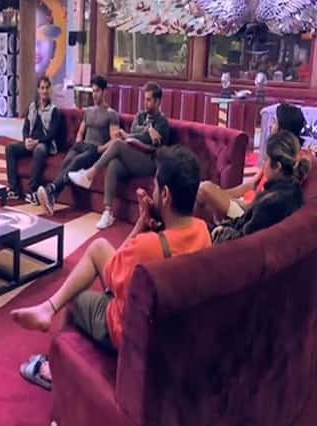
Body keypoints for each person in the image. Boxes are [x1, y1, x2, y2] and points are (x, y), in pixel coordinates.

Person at [11, 146, 212, 390]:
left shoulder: (148, 246)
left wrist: (139, 226)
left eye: (156, 187)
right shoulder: (202, 229)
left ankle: (53, 368)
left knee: (75, 298)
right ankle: (47, 309)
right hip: (171, 324)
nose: (153, 191)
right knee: (98, 247)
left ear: (166, 194)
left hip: (132, 331)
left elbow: (113, 274)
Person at [68, 81, 170, 229]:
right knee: (114, 164)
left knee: (117, 144)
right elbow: (134, 132)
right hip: (134, 156)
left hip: (149, 162)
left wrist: (139, 134)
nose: (145, 103)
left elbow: (142, 138)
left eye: (149, 100)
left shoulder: (162, 122)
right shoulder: (141, 115)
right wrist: (148, 130)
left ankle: (89, 174)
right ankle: (108, 212)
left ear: (158, 101)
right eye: (145, 99)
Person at [197, 103, 306, 222]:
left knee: (205, 189)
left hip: (249, 214)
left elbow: (257, 207)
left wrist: (221, 197)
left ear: (282, 128)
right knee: (205, 191)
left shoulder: (286, 162)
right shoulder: (273, 157)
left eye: (274, 122)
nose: (270, 126)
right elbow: (249, 185)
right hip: (245, 204)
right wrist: (220, 194)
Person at [36, 75, 119, 215]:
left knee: (76, 161)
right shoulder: (88, 111)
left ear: (105, 92)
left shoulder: (111, 114)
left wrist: (100, 149)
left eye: (97, 91)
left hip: (95, 149)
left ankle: (51, 189)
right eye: (93, 91)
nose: (94, 95)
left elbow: (114, 140)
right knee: (66, 162)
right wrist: (78, 142)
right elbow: (81, 131)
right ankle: (53, 197)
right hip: (82, 145)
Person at [211, 130, 311, 243]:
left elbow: (244, 241)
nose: (264, 164)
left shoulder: (272, 203)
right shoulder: (293, 189)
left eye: (266, 159)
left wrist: (222, 231)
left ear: (277, 167)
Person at [6, 76, 61, 205]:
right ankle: (14, 189)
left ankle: (32, 190)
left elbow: (52, 134)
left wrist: (37, 142)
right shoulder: (32, 107)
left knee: (39, 150)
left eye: (47, 88)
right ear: (38, 90)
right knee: (10, 148)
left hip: (44, 143)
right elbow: (26, 127)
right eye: (42, 88)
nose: (44, 91)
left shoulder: (54, 110)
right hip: (31, 142)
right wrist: (26, 140)